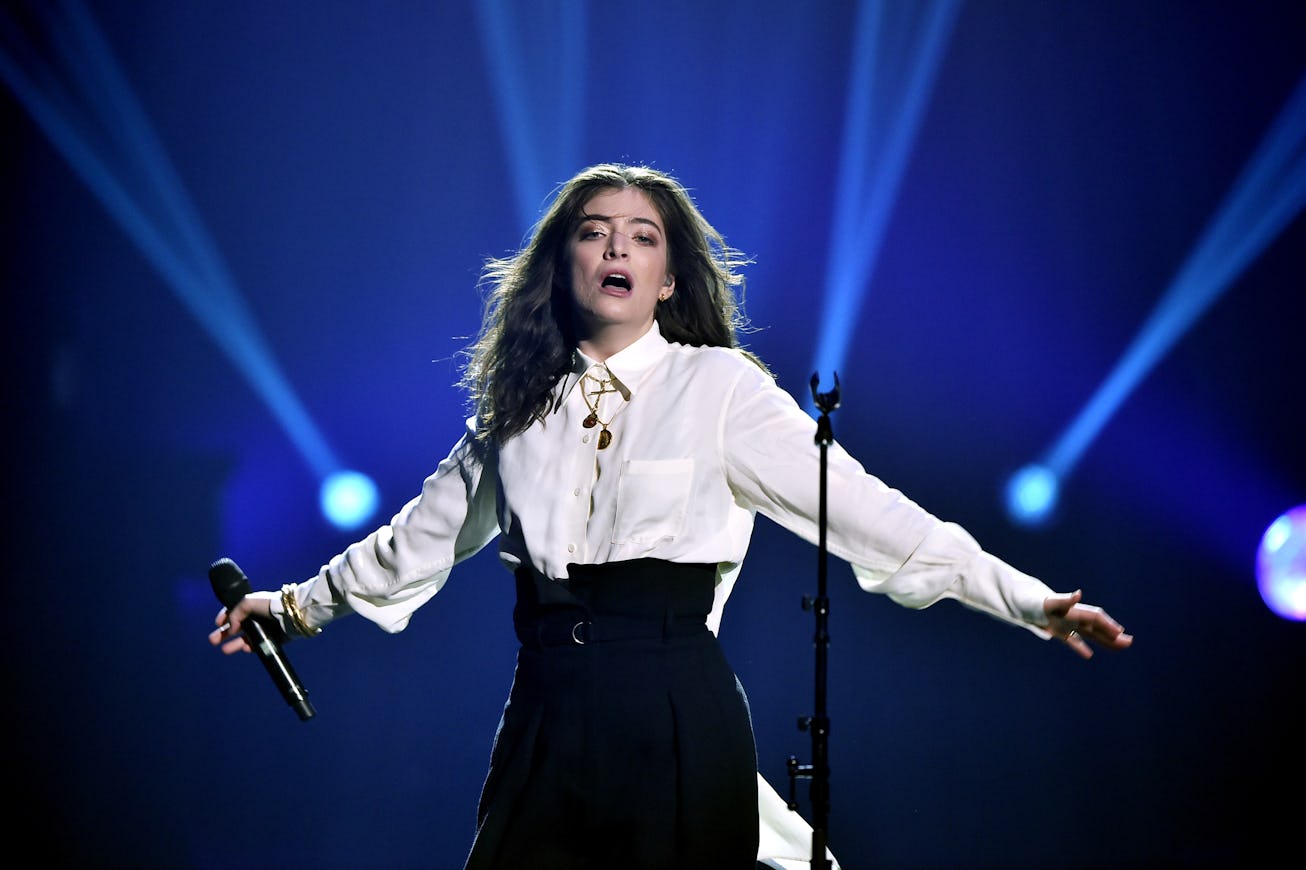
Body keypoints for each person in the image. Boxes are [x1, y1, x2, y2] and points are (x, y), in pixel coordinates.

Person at [210, 162, 1133, 870]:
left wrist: (1027, 600)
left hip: (674, 712)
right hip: (544, 712)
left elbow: (869, 514)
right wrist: (291, 608)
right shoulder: (514, 410)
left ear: (667, 278)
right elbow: (415, 540)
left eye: (641, 237)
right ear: (561, 265)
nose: (616, 249)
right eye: (595, 232)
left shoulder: (719, 388)